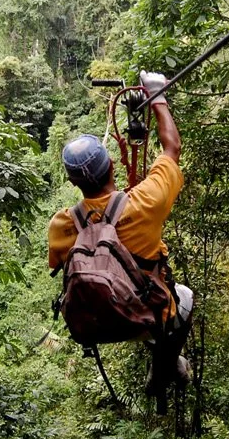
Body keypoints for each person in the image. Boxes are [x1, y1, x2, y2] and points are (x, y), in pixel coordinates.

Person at [47, 71, 193, 401]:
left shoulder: (62, 224)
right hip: (145, 313)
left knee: (158, 305)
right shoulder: (146, 203)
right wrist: (157, 97)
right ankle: (165, 367)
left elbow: (58, 261)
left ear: (72, 182)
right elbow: (172, 148)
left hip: (96, 322)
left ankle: (162, 365)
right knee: (184, 297)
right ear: (112, 166)